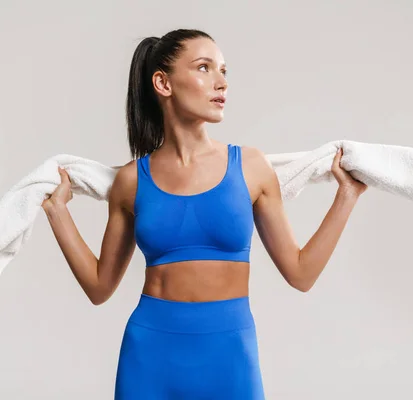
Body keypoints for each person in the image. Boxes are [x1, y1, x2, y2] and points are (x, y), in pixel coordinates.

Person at [42, 28, 367, 400]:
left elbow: (301, 273)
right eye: (204, 68)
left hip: (230, 354)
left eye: (224, 71)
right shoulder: (131, 181)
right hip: (149, 355)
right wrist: (57, 211)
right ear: (163, 83)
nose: (221, 83)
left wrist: (347, 195)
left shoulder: (251, 167)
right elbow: (99, 287)